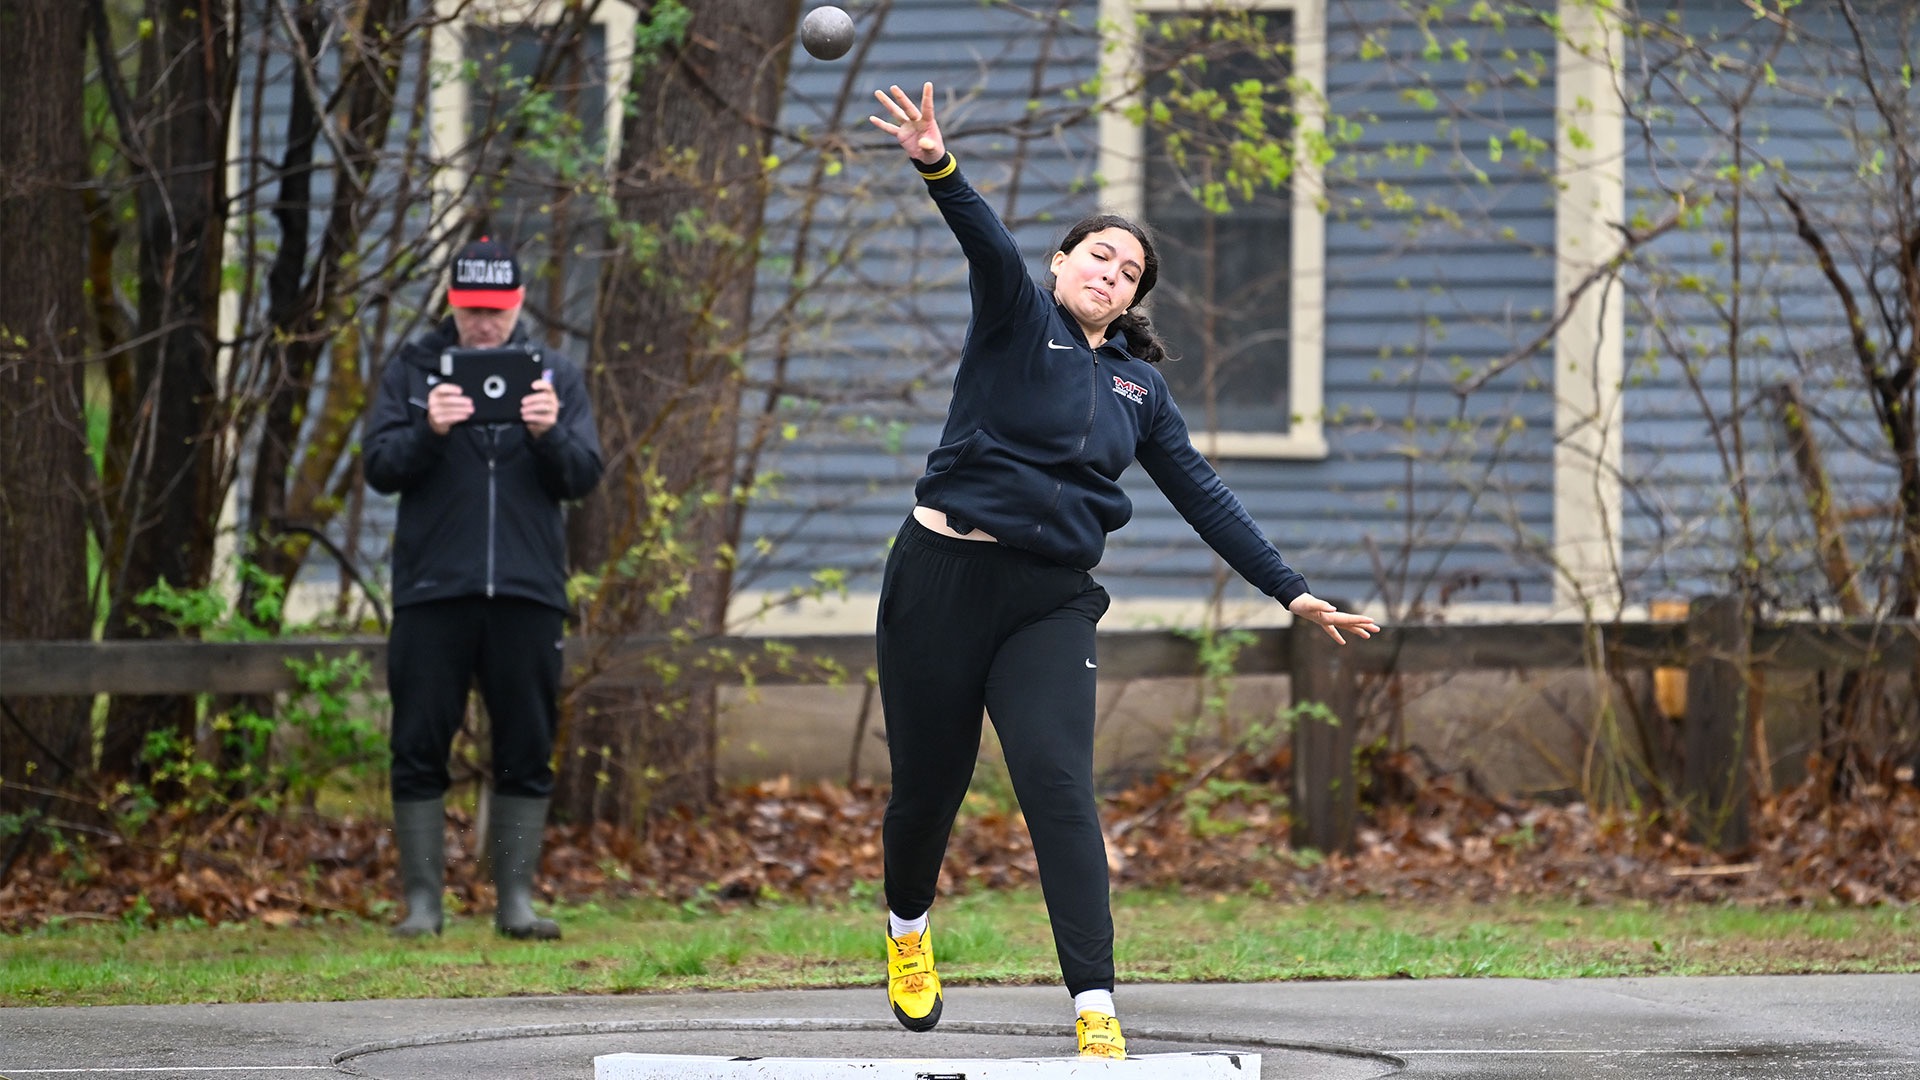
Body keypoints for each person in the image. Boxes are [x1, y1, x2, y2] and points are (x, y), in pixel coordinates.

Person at [867, 83, 1380, 1058]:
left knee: (1059, 787)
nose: (1112, 270)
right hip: (940, 575)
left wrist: (1292, 589)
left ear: (1137, 298)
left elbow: (1202, 494)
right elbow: (982, 240)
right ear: (1063, 262)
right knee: (927, 791)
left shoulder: (1140, 389)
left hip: (1048, 600)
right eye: (1099, 252)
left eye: (1130, 268)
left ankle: (1095, 1006)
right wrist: (939, 164)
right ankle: (907, 931)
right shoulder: (1017, 317)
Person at [363, 236, 604, 940]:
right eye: (472, 310)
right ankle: (422, 905)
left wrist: (549, 433)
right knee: (417, 742)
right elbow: (380, 466)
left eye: (496, 311)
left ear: (519, 304)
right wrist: (430, 431)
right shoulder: (412, 371)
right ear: (452, 303)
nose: (484, 325)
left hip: (527, 593)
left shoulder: (555, 376)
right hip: (433, 591)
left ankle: (514, 902)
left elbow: (585, 474)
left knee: (525, 746)